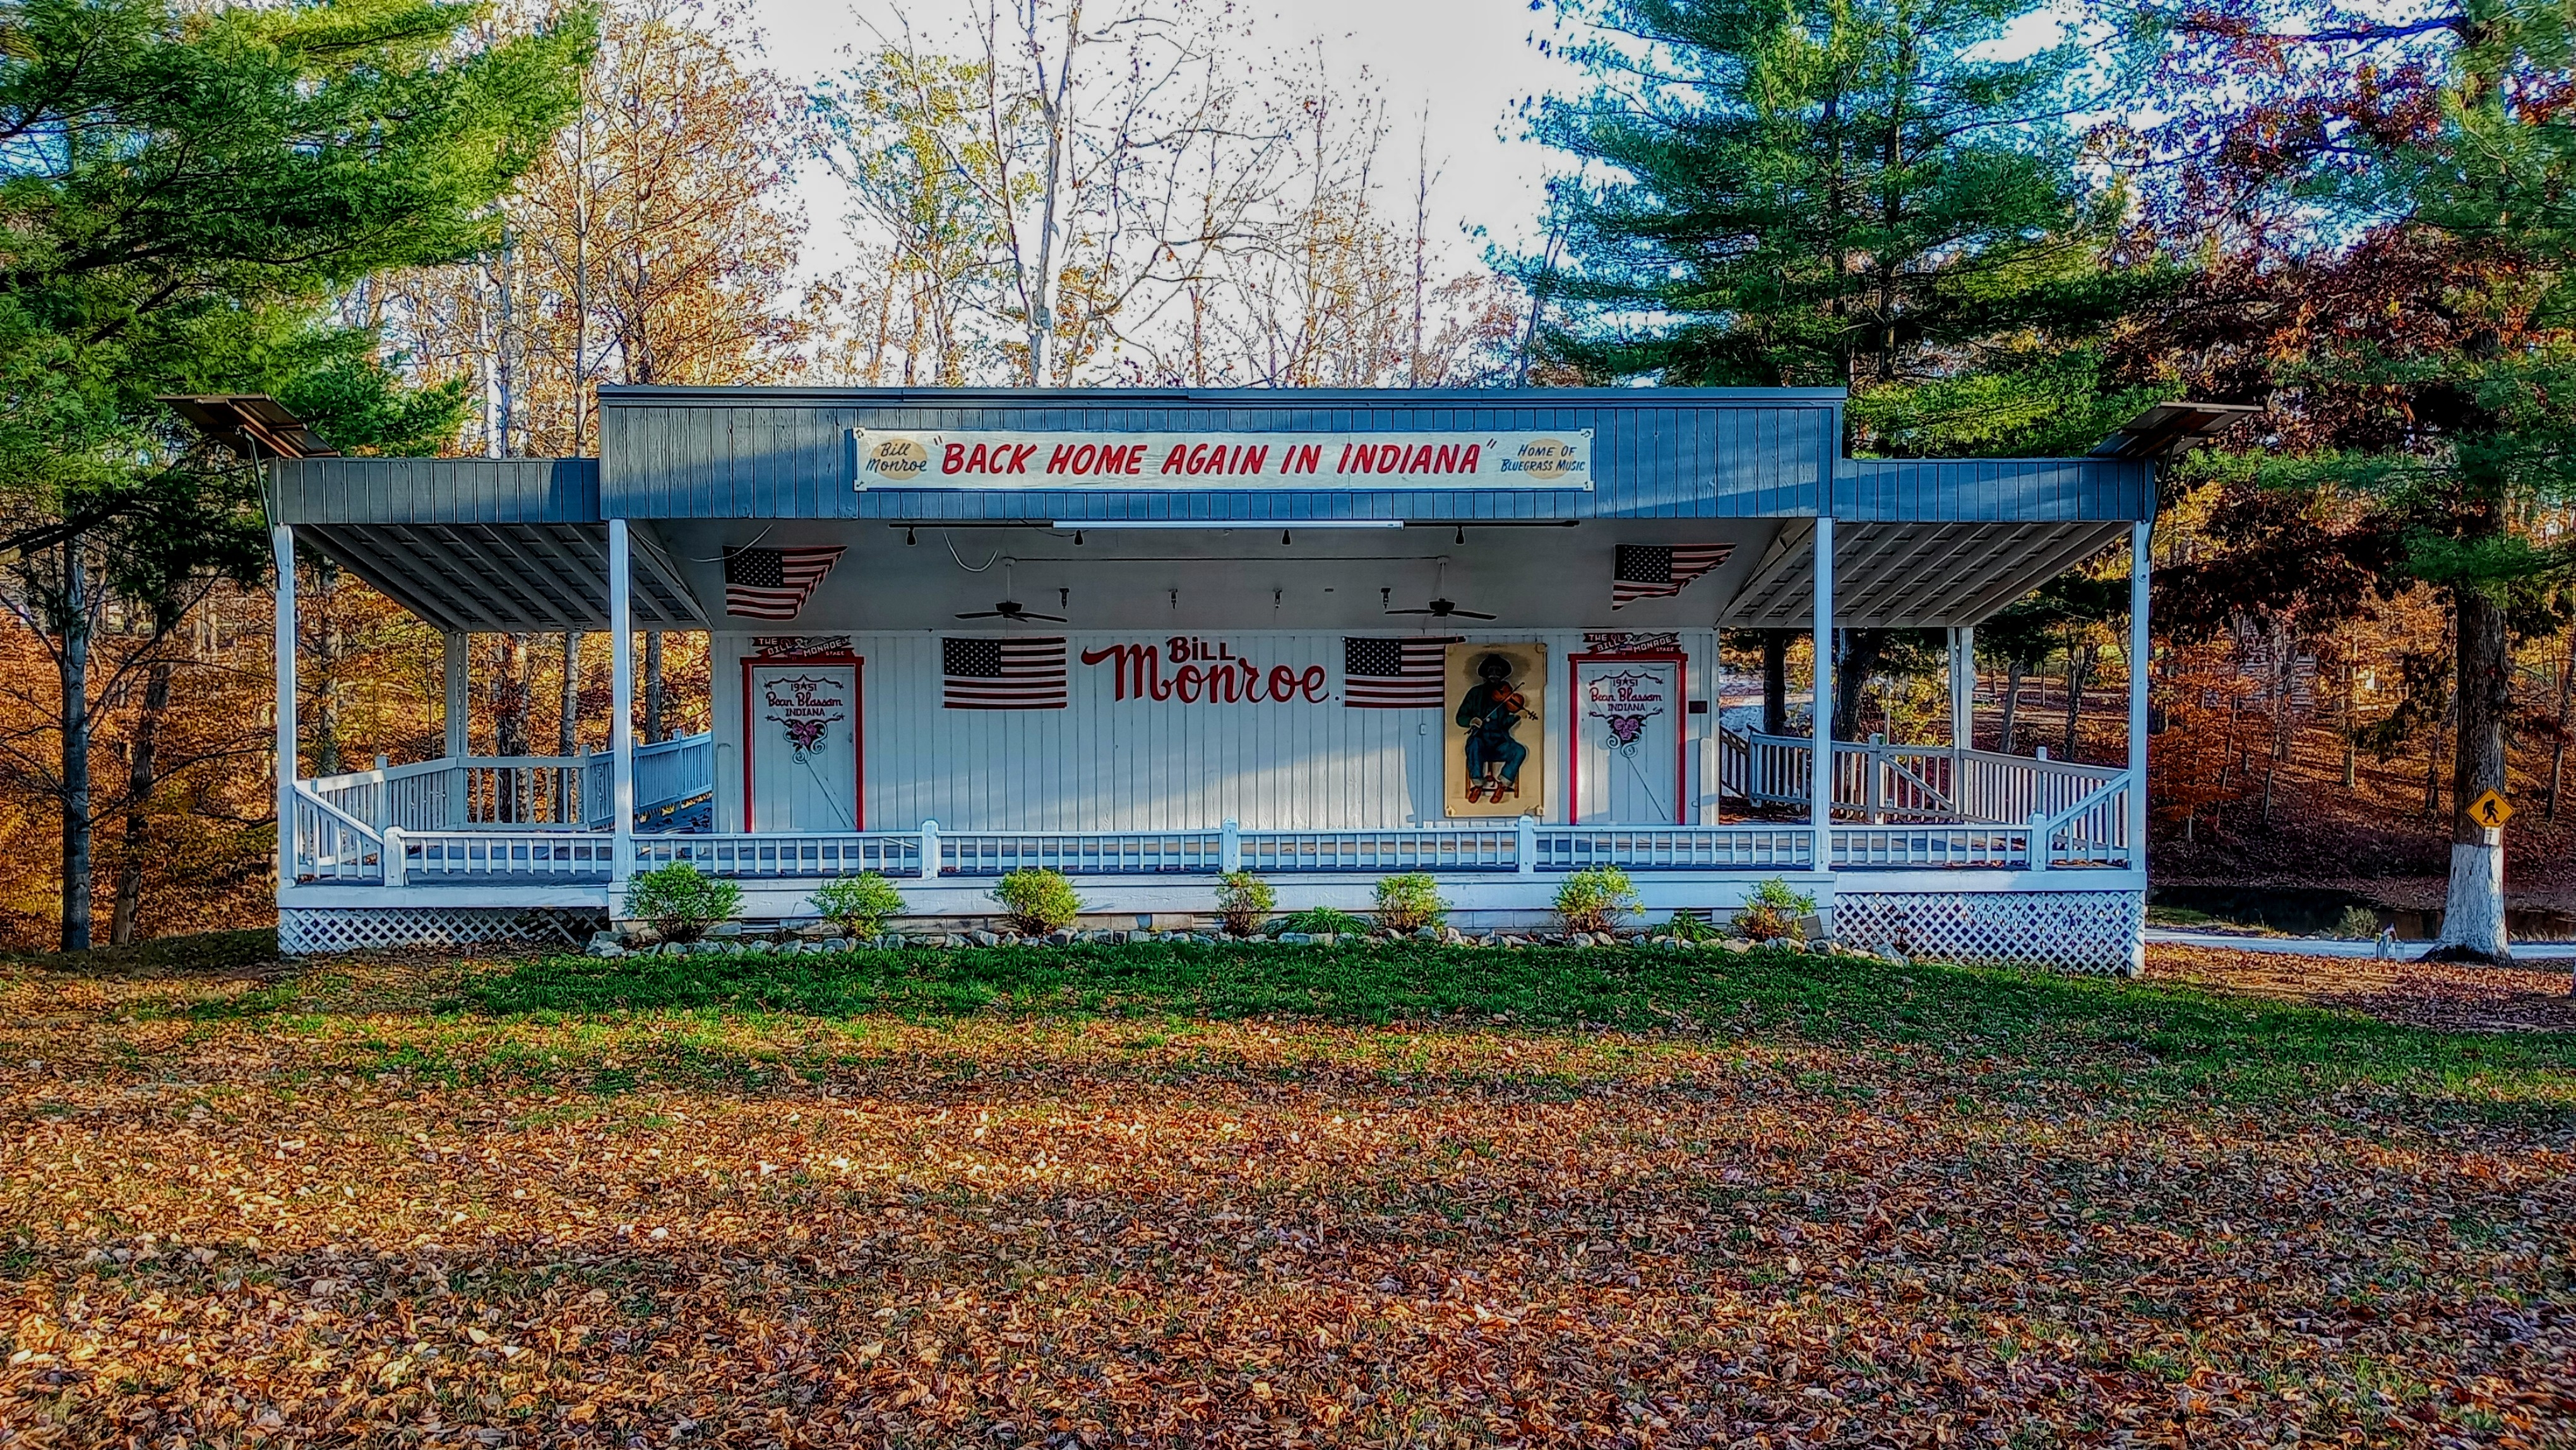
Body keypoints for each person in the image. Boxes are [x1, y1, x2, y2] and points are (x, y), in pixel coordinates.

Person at [1455, 654, 1530, 803]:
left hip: (1500, 742)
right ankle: (1477, 785)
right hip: (1481, 740)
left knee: (1519, 751)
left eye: (1498, 672)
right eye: (1492, 671)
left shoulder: (1506, 697)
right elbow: (1460, 717)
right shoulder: (1475, 693)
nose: (1495, 675)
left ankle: (1502, 786)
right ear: (1486, 674)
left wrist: (1517, 716)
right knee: (1474, 746)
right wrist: (1472, 720)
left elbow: (1504, 723)